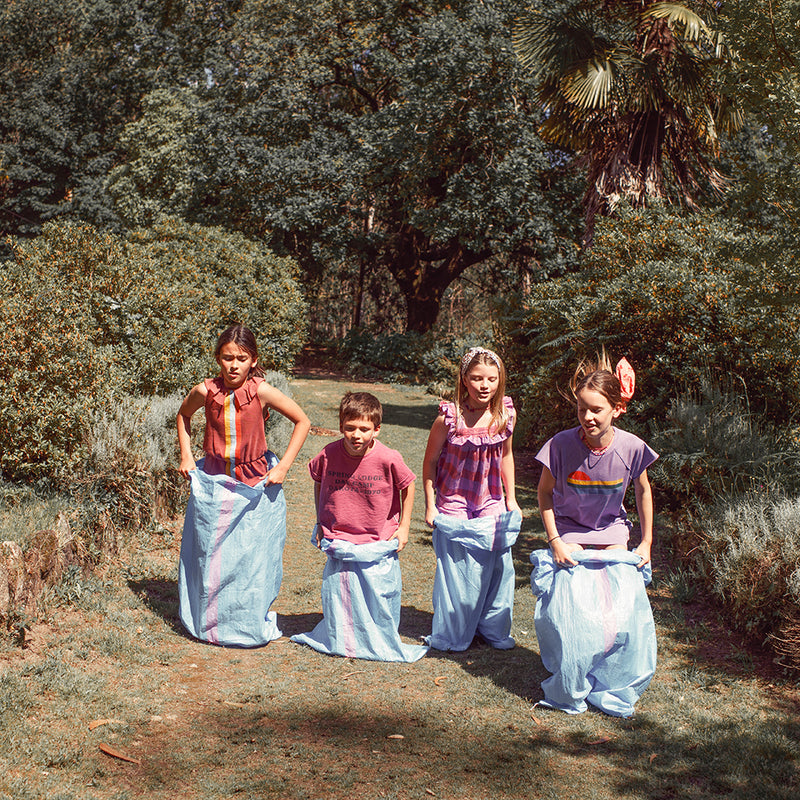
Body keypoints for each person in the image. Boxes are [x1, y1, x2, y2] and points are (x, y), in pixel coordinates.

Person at [531, 351, 658, 717]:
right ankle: (572, 673)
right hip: (570, 533)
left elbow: (643, 490)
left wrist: (646, 541)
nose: (587, 417)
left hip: (612, 534)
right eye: (581, 409)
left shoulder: (632, 447)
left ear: (616, 409)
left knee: (619, 610)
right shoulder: (560, 445)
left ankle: (610, 679)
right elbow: (543, 493)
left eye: (596, 410)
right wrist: (555, 540)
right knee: (573, 610)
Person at [176, 323, 310, 647]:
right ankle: (209, 623)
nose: (233, 365)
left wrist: (285, 467)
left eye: (241, 358)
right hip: (214, 481)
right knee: (210, 552)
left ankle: (245, 622)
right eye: (226, 358)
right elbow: (183, 415)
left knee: (250, 556)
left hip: (254, 482)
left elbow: (302, 421)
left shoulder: (261, 391)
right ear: (217, 358)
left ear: (253, 360)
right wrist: (185, 456)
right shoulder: (206, 391)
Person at [291, 392, 428, 662]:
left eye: (364, 429)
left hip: (377, 538)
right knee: (340, 592)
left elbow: (408, 486)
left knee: (378, 592)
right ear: (341, 426)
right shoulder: (329, 454)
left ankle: (375, 636)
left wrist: (404, 526)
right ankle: (343, 637)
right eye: (350, 428)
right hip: (339, 536)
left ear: (376, 429)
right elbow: (319, 480)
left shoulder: (388, 457)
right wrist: (320, 520)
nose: (356, 435)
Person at [422, 347, 522, 651]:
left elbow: (506, 457)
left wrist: (512, 499)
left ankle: (490, 627)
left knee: (494, 565)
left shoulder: (505, 415)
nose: (484, 385)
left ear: (499, 380)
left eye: (491, 379)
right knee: (458, 565)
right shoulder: (449, 418)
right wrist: (430, 503)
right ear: (464, 379)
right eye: (477, 378)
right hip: (454, 497)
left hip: (490, 497)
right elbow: (429, 462)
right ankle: (455, 627)